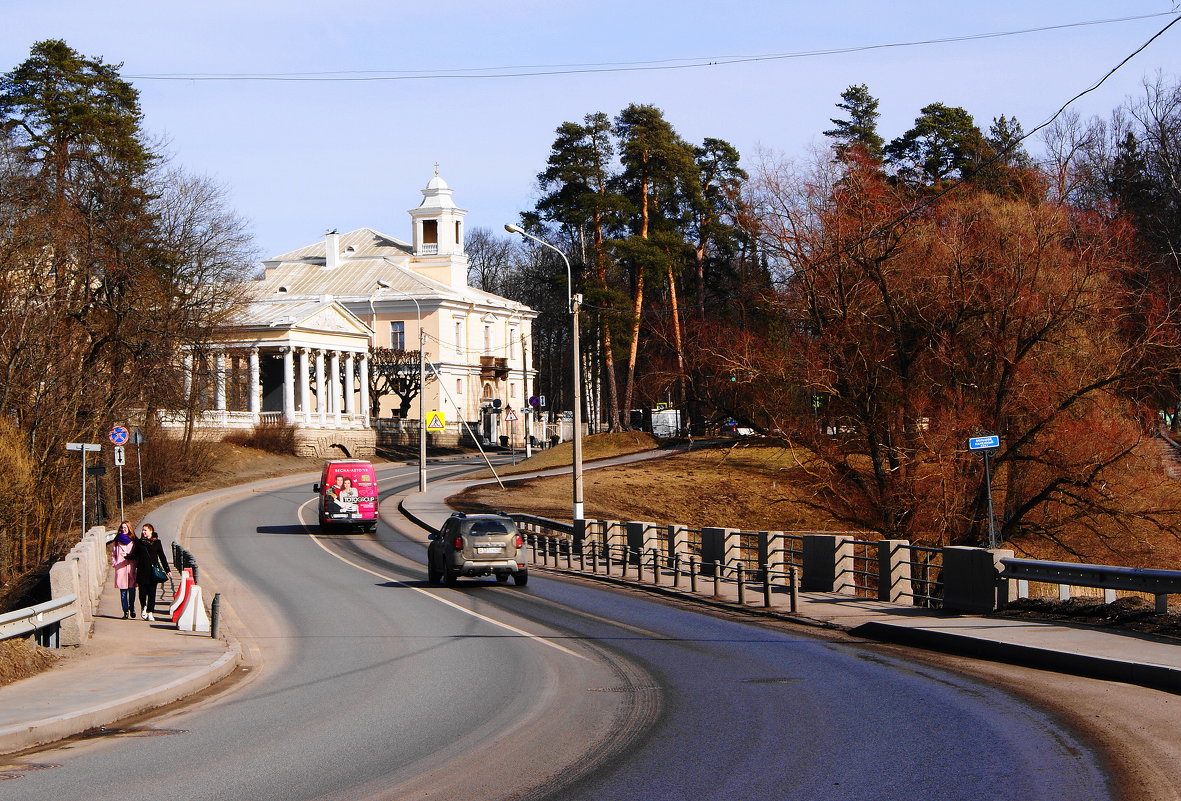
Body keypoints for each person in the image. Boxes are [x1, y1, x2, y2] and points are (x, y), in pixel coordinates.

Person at [134, 523, 171, 621]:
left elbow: (162, 556)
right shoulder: (139, 542)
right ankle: (144, 607)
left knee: (152, 593)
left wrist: (167, 570)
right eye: (142, 530)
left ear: (151, 531)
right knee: (142, 593)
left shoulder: (157, 542)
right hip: (142, 571)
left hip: (153, 572)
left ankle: (150, 612)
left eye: (145, 530)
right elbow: (134, 555)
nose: (143, 532)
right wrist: (125, 556)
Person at [110, 521, 138, 619]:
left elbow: (137, 552)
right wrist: (114, 563)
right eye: (122, 528)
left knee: (132, 590)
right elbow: (113, 553)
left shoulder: (133, 540)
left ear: (129, 528)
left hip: (131, 566)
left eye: (125, 527)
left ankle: (132, 607)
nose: (123, 529)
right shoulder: (117, 540)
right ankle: (125, 611)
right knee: (123, 591)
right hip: (120, 567)